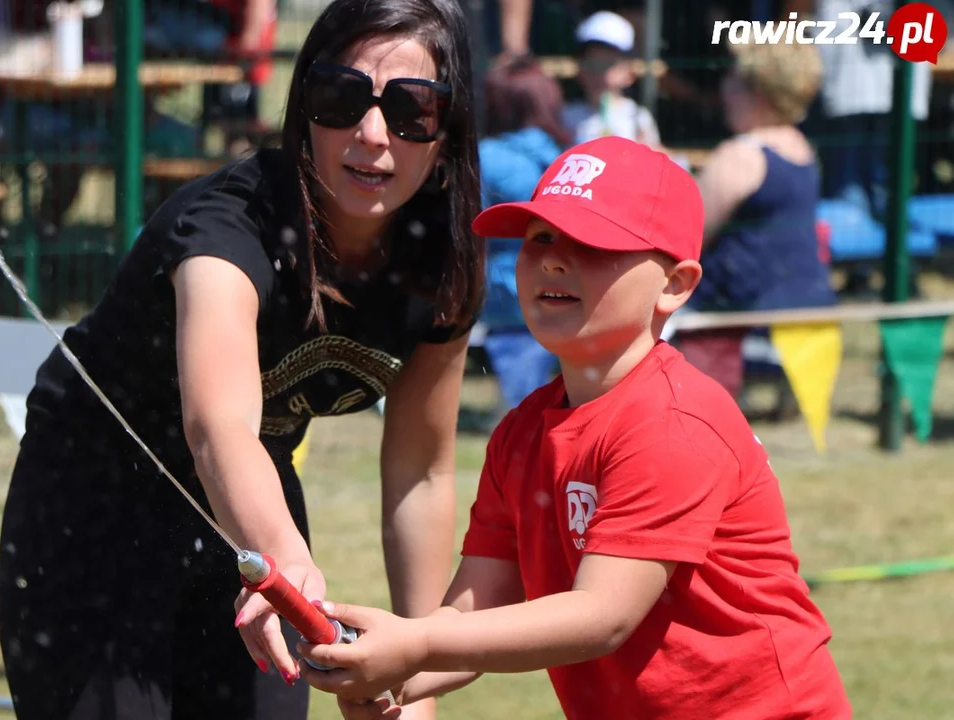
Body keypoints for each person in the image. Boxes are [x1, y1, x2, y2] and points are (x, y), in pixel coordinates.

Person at [0, 0, 484, 718]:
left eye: (413, 109)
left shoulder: (441, 264)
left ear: (450, 129)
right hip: (95, 504)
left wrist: (416, 664)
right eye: (340, 97)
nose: (372, 133)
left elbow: (420, 470)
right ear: (303, 107)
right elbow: (218, 427)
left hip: (245, 510)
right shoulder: (226, 229)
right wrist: (289, 566)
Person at [296, 137, 852, 720]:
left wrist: (415, 646)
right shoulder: (520, 433)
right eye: (540, 237)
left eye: (591, 241)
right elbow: (470, 613)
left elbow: (601, 616)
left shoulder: (672, 422)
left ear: (675, 285)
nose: (554, 259)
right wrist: (390, 672)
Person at [672, 41, 835, 405]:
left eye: (733, 78)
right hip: (804, 310)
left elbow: (685, 238)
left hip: (743, 320)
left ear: (756, 91)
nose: (724, 89)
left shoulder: (740, 156)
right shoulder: (803, 148)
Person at [478, 57, 571, 423]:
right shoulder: (573, 156)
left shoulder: (485, 157)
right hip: (571, 286)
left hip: (506, 295)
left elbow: (473, 234)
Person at [562, 11, 661, 148]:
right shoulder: (566, 117)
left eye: (607, 66)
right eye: (591, 65)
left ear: (629, 72)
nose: (598, 75)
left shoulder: (637, 118)